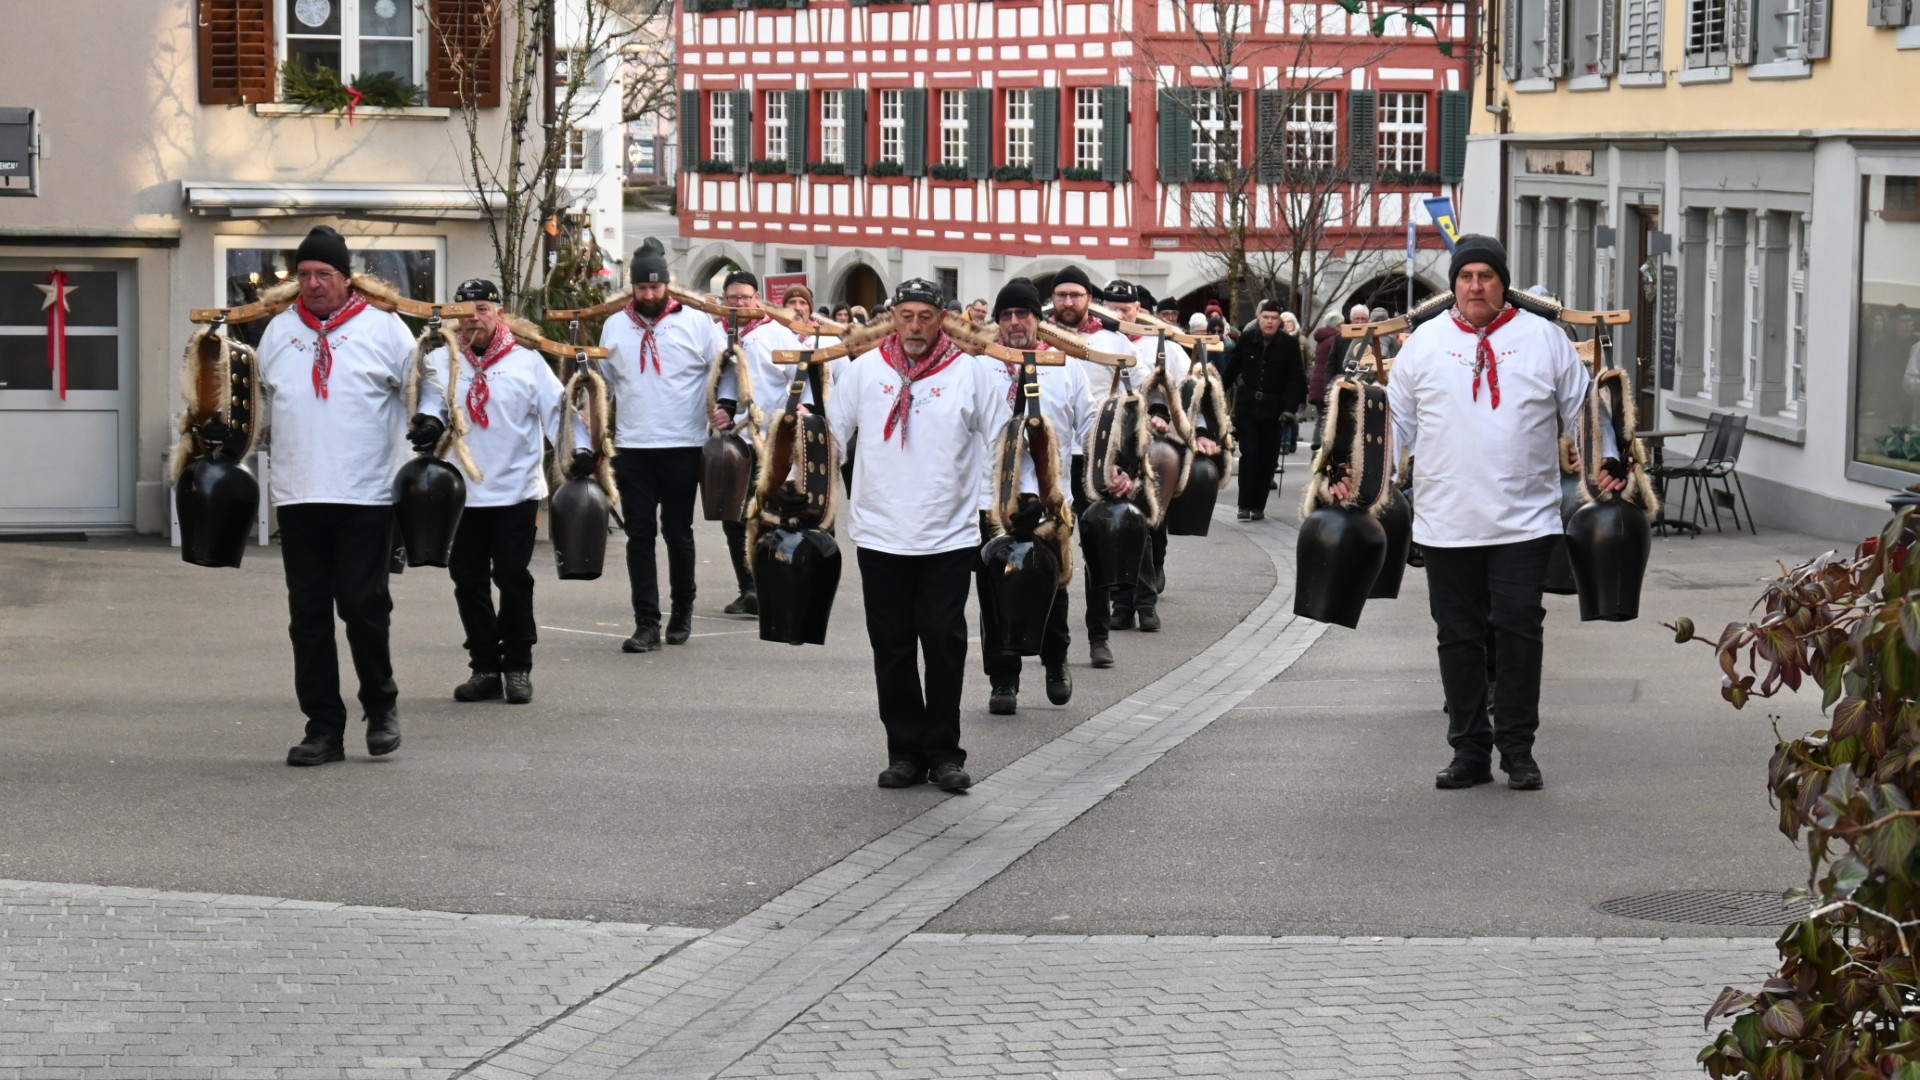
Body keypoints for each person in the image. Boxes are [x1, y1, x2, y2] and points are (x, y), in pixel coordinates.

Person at [1336, 235, 1624, 792]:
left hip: (1525, 519)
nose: (1475, 286)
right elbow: (1395, 426)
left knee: (1518, 630)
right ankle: (1468, 750)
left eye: (1486, 276)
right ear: (1454, 284)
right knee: (1457, 635)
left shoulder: (1544, 338)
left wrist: (1606, 461)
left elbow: (1584, 412)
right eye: (1465, 277)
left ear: (1502, 283)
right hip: (1446, 521)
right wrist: (1360, 474)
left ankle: (1518, 749)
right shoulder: (1424, 342)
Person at [827, 279, 1006, 793]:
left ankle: (944, 753)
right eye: (906, 315)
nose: (914, 327)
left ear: (942, 319)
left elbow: (1001, 438)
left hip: (947, 534)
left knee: (944, 643)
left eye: (925, 316)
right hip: (880, 532)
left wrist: (996, 504)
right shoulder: (864, 371)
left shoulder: (970, 372)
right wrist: (804, 490)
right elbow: (833, 437)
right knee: (892, 645)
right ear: (893, 317)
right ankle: (904, 751)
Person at [255, 225, 421, 766]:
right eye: (304, 274)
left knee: (362, 605)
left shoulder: (385, 327)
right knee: (307, 616)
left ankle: (381, 705)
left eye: (323, 274)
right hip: (299, 493)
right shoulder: (280, 331)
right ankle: (323, 728)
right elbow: (260, 402)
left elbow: (422, 386)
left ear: (347, 279)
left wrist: (430, 423)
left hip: (364, 491)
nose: (313, 283)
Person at [423, 278, 588, 706]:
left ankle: (517, 666)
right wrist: (427, 424)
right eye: (465, 311)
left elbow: (559, 412)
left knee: (513, 577)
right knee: (468, 580)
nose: (474, 318)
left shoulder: (526, 361)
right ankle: (483, 667)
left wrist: (581, 451)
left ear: (499, 313)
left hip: (516, 491)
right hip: (461, 492)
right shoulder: (441, 360)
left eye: (482, 309)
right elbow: (429, 404)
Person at [597, 237, 727, 653]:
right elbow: (604, 382)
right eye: (642, 287)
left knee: (677, 531)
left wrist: (724, 407)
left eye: (656, 287)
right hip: (633, 445)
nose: (649, 295)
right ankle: (646, 623)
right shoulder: (614, 325)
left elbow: (723, 368)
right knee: (639, 534)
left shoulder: (697, 322)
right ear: (632, 287)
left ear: (667, 285)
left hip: (682, 443)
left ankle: (683, 609)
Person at [975, 278, 1096, 715]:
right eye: (1006, 315)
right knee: (995, 588)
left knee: (1052, 587)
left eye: (1022, 314)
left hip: (1048, 496)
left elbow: (1089, 422)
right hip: (993, 498)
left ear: (1037, 319)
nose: (1014, 322)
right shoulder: (980, 366)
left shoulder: (1065, 366)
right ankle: (1003, 680)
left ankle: (1055, 660)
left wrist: (1111, 461)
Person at [1104, 278, 1210, 631]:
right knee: (1117, 524)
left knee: (1147, 522)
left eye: (1125, 309)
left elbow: (1190, 394)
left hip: (1155, 446)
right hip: (1110, 444)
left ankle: (1145, 601)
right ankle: (1124, 603)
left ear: (1138, 309)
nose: (1119, 315)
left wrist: (1201, 431)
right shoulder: (1097, 344)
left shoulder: (1165, 347)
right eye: (1112, 309)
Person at [1049, 264, 1134, 670]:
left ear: (1089, 299)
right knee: (1052, 549)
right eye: (1062, 294)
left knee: (1097, 547)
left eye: (1076, 295)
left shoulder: (1113, 340)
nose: (1068, 302)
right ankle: (1052, 639)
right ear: (1053, 299)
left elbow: (1131, 402)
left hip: (1095, 457)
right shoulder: (1040, 339)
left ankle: (1099, 635)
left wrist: (1122, 461)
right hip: (1049, 459)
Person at [709, 270, 803, 617]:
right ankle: (747, 588)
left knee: (767, 515)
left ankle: (772, 587)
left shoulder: (777, 333)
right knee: (732, 516)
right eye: (732, 298)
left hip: (769, 441)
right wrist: (721, 409)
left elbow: (801, 376)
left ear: (757, 298)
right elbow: (719, 379)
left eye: (745, 298)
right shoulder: (717, 333)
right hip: (732, 442)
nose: (739, 304)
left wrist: (799, 409)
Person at [1222, 301, 1308, 521]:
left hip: (1275, 410)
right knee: (1250, 454)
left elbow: (1296, 378)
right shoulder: (1247, 338)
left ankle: (1258, 506)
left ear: (1279, 321)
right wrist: (1216, 392)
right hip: (1248, 407)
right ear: (1258, 317)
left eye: (1273, 318)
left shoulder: (1289, 344)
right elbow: (1232, 369)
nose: (1269, 322)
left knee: (1267, 459)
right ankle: (1244, 505)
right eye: (1265, 317)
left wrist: (1290, 409)